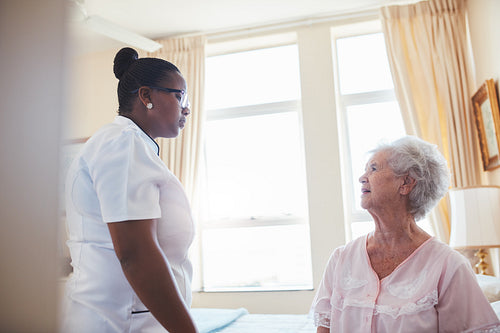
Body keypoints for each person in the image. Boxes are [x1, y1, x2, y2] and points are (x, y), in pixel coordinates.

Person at [60, 47, 198, 333]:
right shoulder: (122, 144)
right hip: (118, 322)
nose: (186, 108)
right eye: (179, 95)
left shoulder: (133, 146)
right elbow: (135, 254)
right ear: (146, 96)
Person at [311, 136, 500, 332]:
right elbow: (324, 327)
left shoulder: (449, 266)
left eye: (373, 169)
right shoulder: (341, 259)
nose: (362, 177)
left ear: (406, 183)